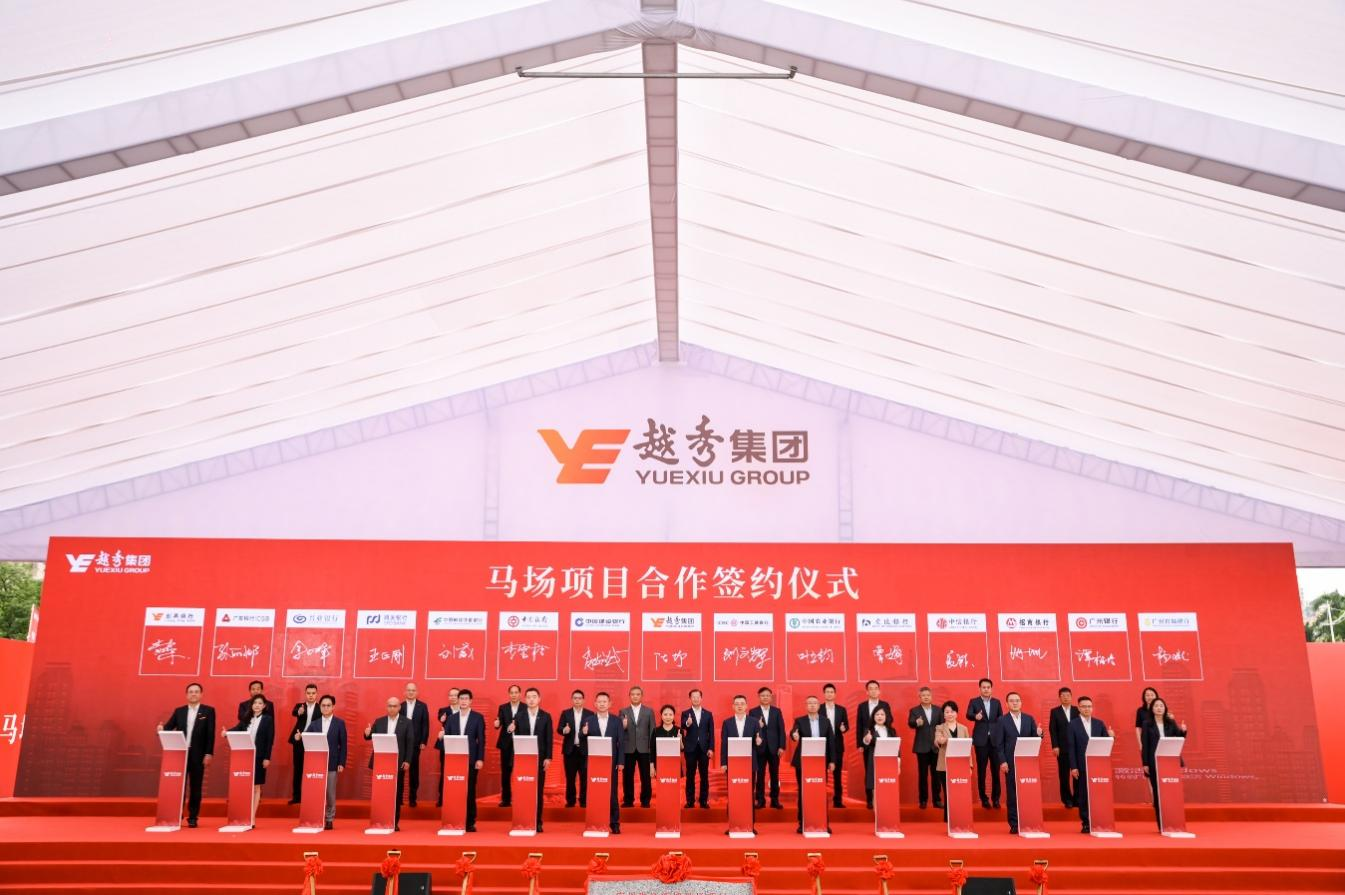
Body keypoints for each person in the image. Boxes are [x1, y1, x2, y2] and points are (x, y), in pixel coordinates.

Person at [159, 682, 215, 828]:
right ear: (186, 695)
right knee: (179, 786)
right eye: (190, 692)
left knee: (195, 786)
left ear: (201, 694)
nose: (193, 694)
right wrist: (161, 729)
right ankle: (177, 814)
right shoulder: (179, 711)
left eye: (196, 691)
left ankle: (193, 816)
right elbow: (168, 728)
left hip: (198, 754)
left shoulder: (208, 711)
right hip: (180, 754)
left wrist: (208, 753)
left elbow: (210, 734)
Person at [991, 691, 1040, 835]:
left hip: (1027, 762)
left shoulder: (1029, 719)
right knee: (1013, 794)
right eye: (1012, 701)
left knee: (1028, 793)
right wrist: (1003, 761)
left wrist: (1039, 734)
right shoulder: (1002, 720)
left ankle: (1029, 820)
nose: (1015, 703)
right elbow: (999, 744)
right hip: (1010, 762)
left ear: (1021, 703)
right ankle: (1014, 823)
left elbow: (1034, 739)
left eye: (1017, 700)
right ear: (1007, 704)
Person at [1066, 696, 1113, 834]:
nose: (1087, 709)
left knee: (1099, 794)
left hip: (1098, 765)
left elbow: (1106, 743)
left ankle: (1099, 820)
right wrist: (1073, 767)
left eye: (1089, 706)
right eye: (1084, 706)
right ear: (1079, 708)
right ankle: (1086, 822)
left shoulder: (1099, 723)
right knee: (1084, 795)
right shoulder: (1072, 724)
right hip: (1081, 765)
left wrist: (1111, 736)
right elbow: (1071, 747)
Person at [364, 697, 413, 831]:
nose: (392, 708)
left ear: (399, 707)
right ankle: (379, 819)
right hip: (381, 763)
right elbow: (370, 736)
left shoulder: (407, 722)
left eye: (394, 706)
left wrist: (408, 760)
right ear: (386, 707)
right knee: (381, 793)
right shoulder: (379, 721)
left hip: (398, 763)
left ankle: (393, 821)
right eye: (390, 706)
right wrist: (367, 733)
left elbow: (410, 743)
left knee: (396, 794)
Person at [1140, 697, 1188, 831]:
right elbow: (1145, 744)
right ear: (1152, 709)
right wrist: (1145, 763)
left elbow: (1179, 738)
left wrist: (1183, 731)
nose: (1159, 708)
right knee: (1158, 792)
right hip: (1154, 762)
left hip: (1170, 762)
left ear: (1165, 708)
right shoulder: (1147, 724)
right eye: (1156, 706)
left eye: (1161, 706)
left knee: (1172, 792)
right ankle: (1162, 824)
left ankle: (1174, 821)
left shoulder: (1171, 722)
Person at [790, 695, 836, 833]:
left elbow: (831, 742)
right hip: (803, 762)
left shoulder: (826, 721)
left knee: (820, 792)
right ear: (806, 706)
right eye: (809, 703)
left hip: (820, 762)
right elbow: (794, 733)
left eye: (814, 703)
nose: (812, 705)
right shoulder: (800, 720)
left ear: (819, 705)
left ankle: (823, 822)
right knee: (803, 792)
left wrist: (832, 761)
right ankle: (803, 822)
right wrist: (794, 736)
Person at [442, 688, 486, 832]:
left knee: (470, 790)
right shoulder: (451, 718)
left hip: (471, 760)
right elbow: (447, 739)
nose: (463, 701)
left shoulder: (478, 717)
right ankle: (454, 819)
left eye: (466, 699)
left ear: (471, 701)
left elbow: (481, 740)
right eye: (461, 698)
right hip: (454, 760)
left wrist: (480, 758)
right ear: (458, 700)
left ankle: (470, 822)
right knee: (454, 791)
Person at [228, 694, 275, 828]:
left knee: (256, 787)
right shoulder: (246, 718)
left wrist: (267, 757)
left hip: (259, 757)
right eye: (255, 703)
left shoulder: (268, 720)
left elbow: (269, 740)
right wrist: (226, 733)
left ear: (264, 706)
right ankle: (243, 814)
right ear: (251, 705)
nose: (257, 705)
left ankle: (252, 817)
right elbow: (236, 729)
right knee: (245, 785)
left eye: (260, 703)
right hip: (245, 757)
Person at [583, 691, 625, 834]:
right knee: (595, 793)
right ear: (595, 704)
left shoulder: (616, 721)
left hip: (611, 762)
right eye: (599, 702)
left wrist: (620, 761)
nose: (602, 704)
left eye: (604, 701)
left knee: (612, 793)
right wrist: (583, 733)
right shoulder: (589, 720)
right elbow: (582, 740)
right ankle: (595, 821)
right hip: (594, 763)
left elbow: (621, 742)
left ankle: (614, 823)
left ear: (609, 704)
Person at [513, 687, 553, 832]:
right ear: (525, 699)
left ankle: (538, 821)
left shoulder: (546, 716)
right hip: (524, 759)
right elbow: (515, 738)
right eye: (529, 697)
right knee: (523, 790)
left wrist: (548, 757)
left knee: (538, 791)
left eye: (534, 697)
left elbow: (549, 738)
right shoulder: (519, 716)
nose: (531, 699)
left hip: (540, 758)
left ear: (539, 699)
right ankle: (523, 819)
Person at [306, 694, 347, 830]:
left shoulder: (339, 723)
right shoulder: (314, 723)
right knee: (316, 791)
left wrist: (341, 762)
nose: (325, 708)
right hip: (316, 763)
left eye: (328, 705)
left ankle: (329, 818)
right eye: (323, 705)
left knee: (330, 793)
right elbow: (307, 739)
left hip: (332, 762)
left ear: (333, 707)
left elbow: (343, 745)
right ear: (320, 707)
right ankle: (316, 816)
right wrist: (300, 736)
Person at [966, 678, 1003, 808]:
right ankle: (984, 799)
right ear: (980, 688)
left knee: (996, 771)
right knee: (981, 771)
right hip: (980, 741)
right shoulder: (974, 701)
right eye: (983, 687)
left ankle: (996, 799)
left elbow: (1001, 718)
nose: (986, 689)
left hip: (995, 741)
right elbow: (968, 714)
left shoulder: (996, 702)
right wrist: (975, 716)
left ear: (991, 689)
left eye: (988, 687)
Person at [854, 680, 891, 807]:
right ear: (867, 691)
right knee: (869, 771)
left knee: (884, 771)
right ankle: (870, 799)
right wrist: (860, 744)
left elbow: (890, 720)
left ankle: (883, 797)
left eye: (876, 688)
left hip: (883, 740)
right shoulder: (862, 706)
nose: (873, 691)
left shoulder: (885, 705)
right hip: (867, 743)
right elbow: (859, 725)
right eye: (871, 688)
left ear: (879, 691)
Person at [933, 700, 970, 822]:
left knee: (960, 792)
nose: (950, 714)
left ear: (956, 713)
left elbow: (968, 748)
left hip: (961, 765)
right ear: (943, 714)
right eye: (947, 712)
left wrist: (969, 766)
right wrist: (941, 740)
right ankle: (948, 818)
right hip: (944, 765)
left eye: (952, 711)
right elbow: (937, 741)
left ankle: (960, 815)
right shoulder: (939, 727)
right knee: (948, 792)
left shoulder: (964, 728)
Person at [749, 686, 786, 809]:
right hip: (760, 748)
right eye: (763, 695)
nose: (765, 697)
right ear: (759, 697)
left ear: (771, 697)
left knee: (775, 775)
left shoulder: (777, 711)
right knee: (760, 775)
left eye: (767, 695)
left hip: (774, 749)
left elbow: (781, 730)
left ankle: (775, 800)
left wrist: (781, 746)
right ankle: (760, 800)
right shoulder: (753, 712)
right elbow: (750, 731)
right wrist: (758, 726)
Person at [619, 686, 654, 808]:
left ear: (641, 696)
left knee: (645, 776)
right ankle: (628, 800)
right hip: (628, 748)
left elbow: (652, 731)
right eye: (633, 694)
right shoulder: (623, 711)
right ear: (629, 696)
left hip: (645, 748)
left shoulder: (649, 711)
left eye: (638, 694)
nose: (635, 696)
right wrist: (623, 726)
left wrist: (651, 748)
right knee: (627, 776)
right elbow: (619, 731)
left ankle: (645, 801)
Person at [907, 686, 941, 809]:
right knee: (923, 775)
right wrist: (917, 723)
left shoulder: (938, 710)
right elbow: (910, 723)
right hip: (921, 747)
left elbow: (942, 726)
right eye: (923, 695)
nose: (926, 697)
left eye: (928, 695)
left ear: (931, 696)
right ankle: (923, 800)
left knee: (936, 775)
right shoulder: (914, 710)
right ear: (919, 697)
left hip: (936, 746)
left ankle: (937, 800)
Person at [560, 689, 594, 808]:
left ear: (583, 700)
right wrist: (564, 730)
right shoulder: (566, 713)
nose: (577, 700)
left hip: (584, 751)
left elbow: (595, 731)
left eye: (579, 698)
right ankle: (571, 801)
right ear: (572, 700)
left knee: (584, 778)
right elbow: (559, 729)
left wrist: (588, 731)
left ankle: (584, 801)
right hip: (570, 751)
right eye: (575, 698)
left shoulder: (590, 714)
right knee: (570, 778)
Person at [681, 689, 714, 809]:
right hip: (690, 749)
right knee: (690, 775)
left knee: (704, 775)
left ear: (701, 698)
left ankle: (703, 801)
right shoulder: (686, 713)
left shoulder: (708, 714)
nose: (695, 699)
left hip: (704, 749)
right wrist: (688, 723)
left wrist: (711, 748)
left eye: (698, 697)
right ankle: (690, 801)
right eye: (693, 697)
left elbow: (711, 732)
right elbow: (683, 726)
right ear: (690, 698)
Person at [288, 684, 320, 805]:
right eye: (308, 693)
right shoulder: (300, 706)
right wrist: (299, 712)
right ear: (305, 694)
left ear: (316, 694)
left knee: (313, 770)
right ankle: (296, 797)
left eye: (313, 693)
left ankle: (311, 797)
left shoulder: (320, 707)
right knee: (298, 769)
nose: (311, 695)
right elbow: (294, 712)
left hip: (314, 741)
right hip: (299, 740)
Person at [399, 682, 430, 807]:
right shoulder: (400, 706)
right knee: (400, 771)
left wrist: (423, 741)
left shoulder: (422, 706)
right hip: (401, 743)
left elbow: (425, 725)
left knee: (414, 771)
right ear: (405, 692)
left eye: (413, 690)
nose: (411, 692)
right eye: (409, 690)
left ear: (417, 692)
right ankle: (399, 798)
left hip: (416, 743)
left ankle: (413, 798)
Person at [862, 705, 897, 810]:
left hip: (889, 763)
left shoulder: (892, 730)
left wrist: (898, 762)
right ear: (873, 717)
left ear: (886, 716)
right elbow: (866, 742)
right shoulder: (869, 730)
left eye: (882, 714)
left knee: (887, 787)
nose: (880, 716)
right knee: (875, 787)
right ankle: (877, 811)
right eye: (877, 714)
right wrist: (867, 739)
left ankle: (887, 809)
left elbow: (897, 746)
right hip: (874, 762)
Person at [494, 684, 523, 807]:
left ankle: (522, 799)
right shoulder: (503, 707)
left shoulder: (525, 707)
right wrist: (496, 723)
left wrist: (517, 726)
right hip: (506, 744)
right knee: (506, 772)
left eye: (516, 692)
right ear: (509, 694)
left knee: (522, 773)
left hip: (521, 744)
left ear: (520, 694)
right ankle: (506, 799)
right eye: (512, 692)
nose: (514, 695)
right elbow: (499, 722)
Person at [820, 684, 849, 808]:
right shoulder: (819, 708)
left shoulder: (841, 710)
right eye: (827, 692)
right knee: (821, 775)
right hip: (822, 745)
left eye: (831, 692)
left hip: (837, 746)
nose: (829, 694)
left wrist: (844, 728)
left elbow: (846, 725)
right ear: (824, 694)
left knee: (837, 775)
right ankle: (821, 800)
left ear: (835, 694)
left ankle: (838, 801)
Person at [1048, 687, 1077, 809]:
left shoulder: (1077, 710)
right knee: (1064, 775)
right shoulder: (1055, 711)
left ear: (1071, 697)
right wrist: (1055, 745)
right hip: (1062, 748)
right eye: (1063, 695)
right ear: (1059, 697)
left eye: (1068, 695)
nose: (1066, 697)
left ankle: (1077, 799)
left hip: (1076, 748)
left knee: (1077, 774)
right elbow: (1052, 729)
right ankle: (1067, 799)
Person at [434, 687, 461, 808]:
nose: (453, 697)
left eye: (455, 695)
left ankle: (458, 798)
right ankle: (442, 798)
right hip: (446, 745)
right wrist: (442, 719)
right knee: (445, 772)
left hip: (461, 745)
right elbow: (441, 718)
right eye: (451, 695)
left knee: (459, 773)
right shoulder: (444, 710)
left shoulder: (464, 710)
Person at [1134, 687, 1159, 752]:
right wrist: (1140, 744)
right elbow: (1138, 728)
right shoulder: (1141, 710)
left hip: (1160, 740)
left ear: (1156, 696)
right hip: (1146, 741)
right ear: (1144, 697)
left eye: (1152, 695)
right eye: (1147, 695)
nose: (1150, 697)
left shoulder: (1161, 709)